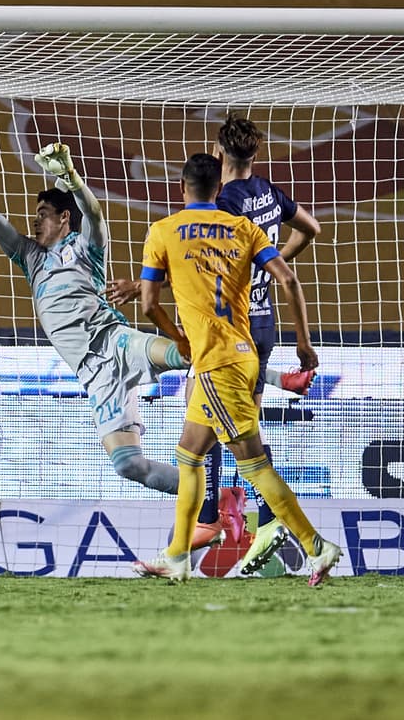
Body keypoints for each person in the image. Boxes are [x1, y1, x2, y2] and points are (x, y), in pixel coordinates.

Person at [106, 114, 321, 573]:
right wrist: (269, 265)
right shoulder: (266, 194)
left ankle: (283, 534)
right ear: (254, 154)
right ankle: (190, 547)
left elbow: (201, 272)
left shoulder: (219, 207)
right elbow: (312, 230)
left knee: (247, 452)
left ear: (219, 158)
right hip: (258, 327)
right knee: (197, 449)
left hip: (219, 342)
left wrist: (146, 290)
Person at [0, 136, 190, 503]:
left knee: (188, 355)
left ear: (64, 217)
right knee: (128, 466)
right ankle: (210, 492)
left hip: (116, 341)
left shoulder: (87, 247)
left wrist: (72, 178)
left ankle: (239, 399)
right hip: (94, 375)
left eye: (42, 215)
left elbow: (95, 214)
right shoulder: (30, 258)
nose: (34, 222)